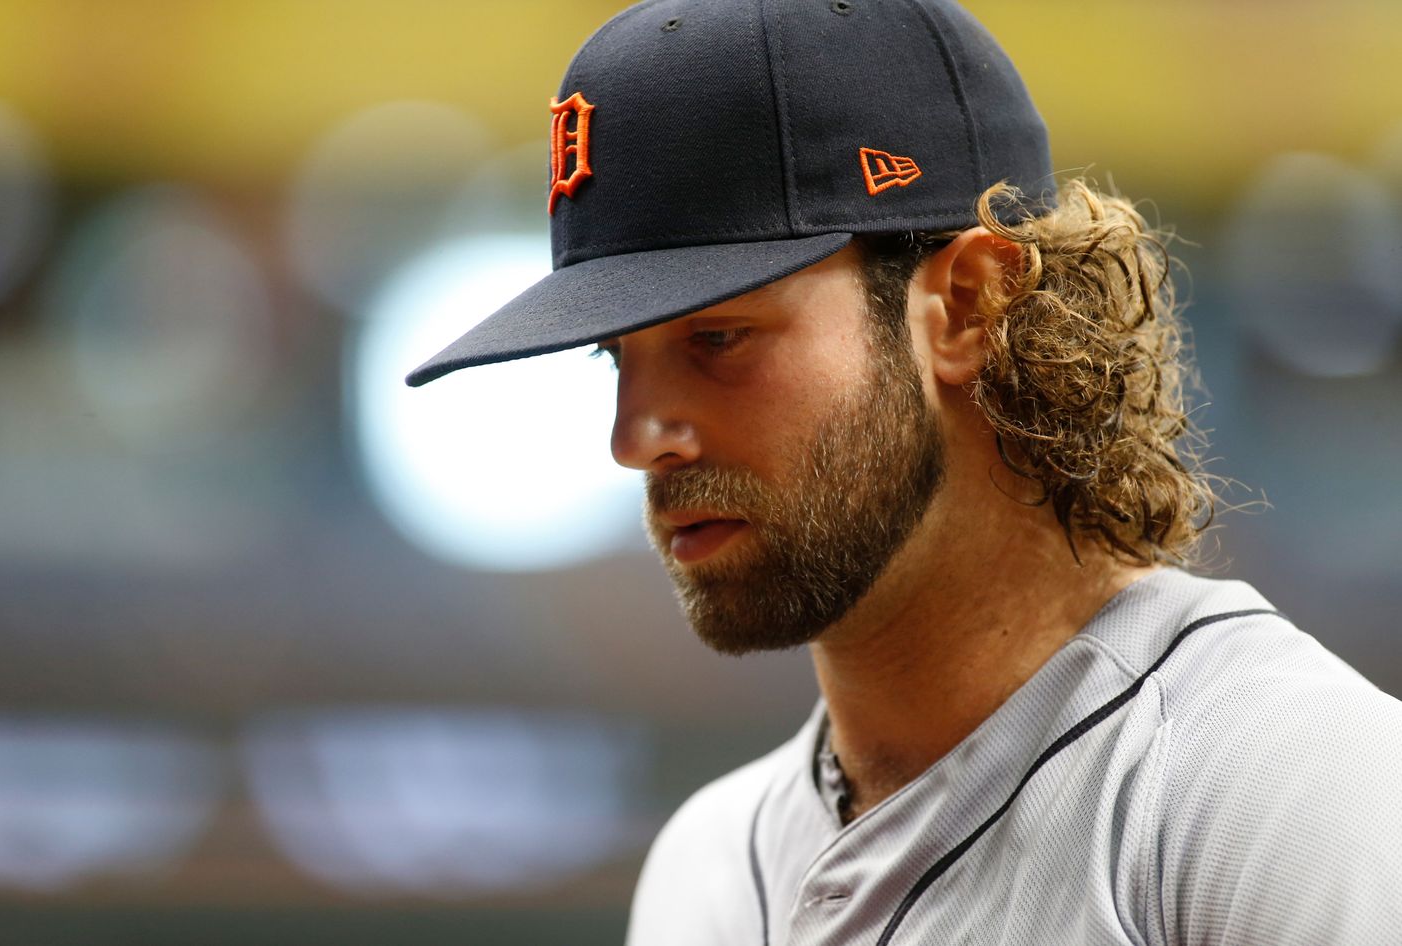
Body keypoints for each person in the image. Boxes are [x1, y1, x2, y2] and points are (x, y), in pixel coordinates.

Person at [408, 0, 1402, 942]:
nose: (636, 439)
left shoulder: (1283, 790)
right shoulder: (705, 866)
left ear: (966, 305)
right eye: (614, 359)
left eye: (717, 338)